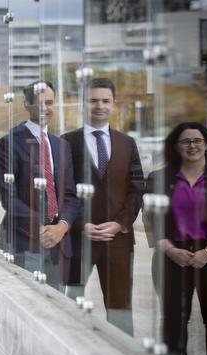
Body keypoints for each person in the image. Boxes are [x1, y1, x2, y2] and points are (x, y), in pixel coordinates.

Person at [144, 122, 207, 355]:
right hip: (170, 257)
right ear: (176, 147)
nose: (192, 145)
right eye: (185, 141)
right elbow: (152, 220)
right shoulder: (158, 178)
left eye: (197, 140)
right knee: (174, 317)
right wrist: (170, 250)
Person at [61, 77, 144, 334]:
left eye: (105, 101)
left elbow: (137, 189)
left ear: (113, 104)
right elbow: (61, 191)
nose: (99, 106)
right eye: (93, 100)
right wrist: (79, 224)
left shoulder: (127, 143)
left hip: (117, 242)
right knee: (70, 311)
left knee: (120, 312)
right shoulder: (66, 142)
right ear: (84, 104)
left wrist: (120, 224)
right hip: (77, 240)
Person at [0, 80, 78, 289]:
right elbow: (9, 199)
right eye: (39, 103)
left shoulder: (61, 146)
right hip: (24, 242)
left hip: (58, 246)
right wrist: (42, 228)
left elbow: (71, 196)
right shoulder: (9, 142)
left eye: (49, 103)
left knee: (54, 308)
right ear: (26, 104)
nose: (44, 109)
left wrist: (61, 227)